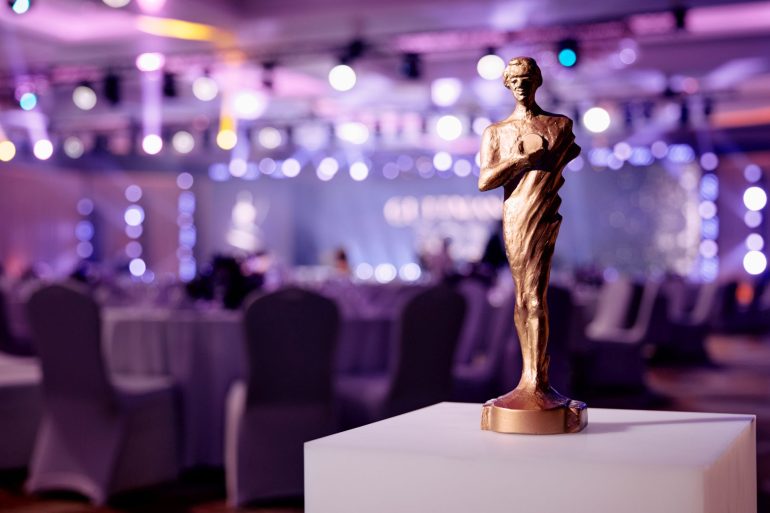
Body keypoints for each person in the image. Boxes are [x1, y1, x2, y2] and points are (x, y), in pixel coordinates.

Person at [478, 57, 581, 414]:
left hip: (542, 212)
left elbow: (561, 156)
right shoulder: (495, 132)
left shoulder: (559, 125)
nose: (521, 85)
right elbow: (485, 180)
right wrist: (520, 160)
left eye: (526, 78)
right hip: (515, 215)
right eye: (515, 79)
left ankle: (537, 381)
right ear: (507, 84)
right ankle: (528, 378)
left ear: (537, 81)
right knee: (522, 296)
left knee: (534, 296)